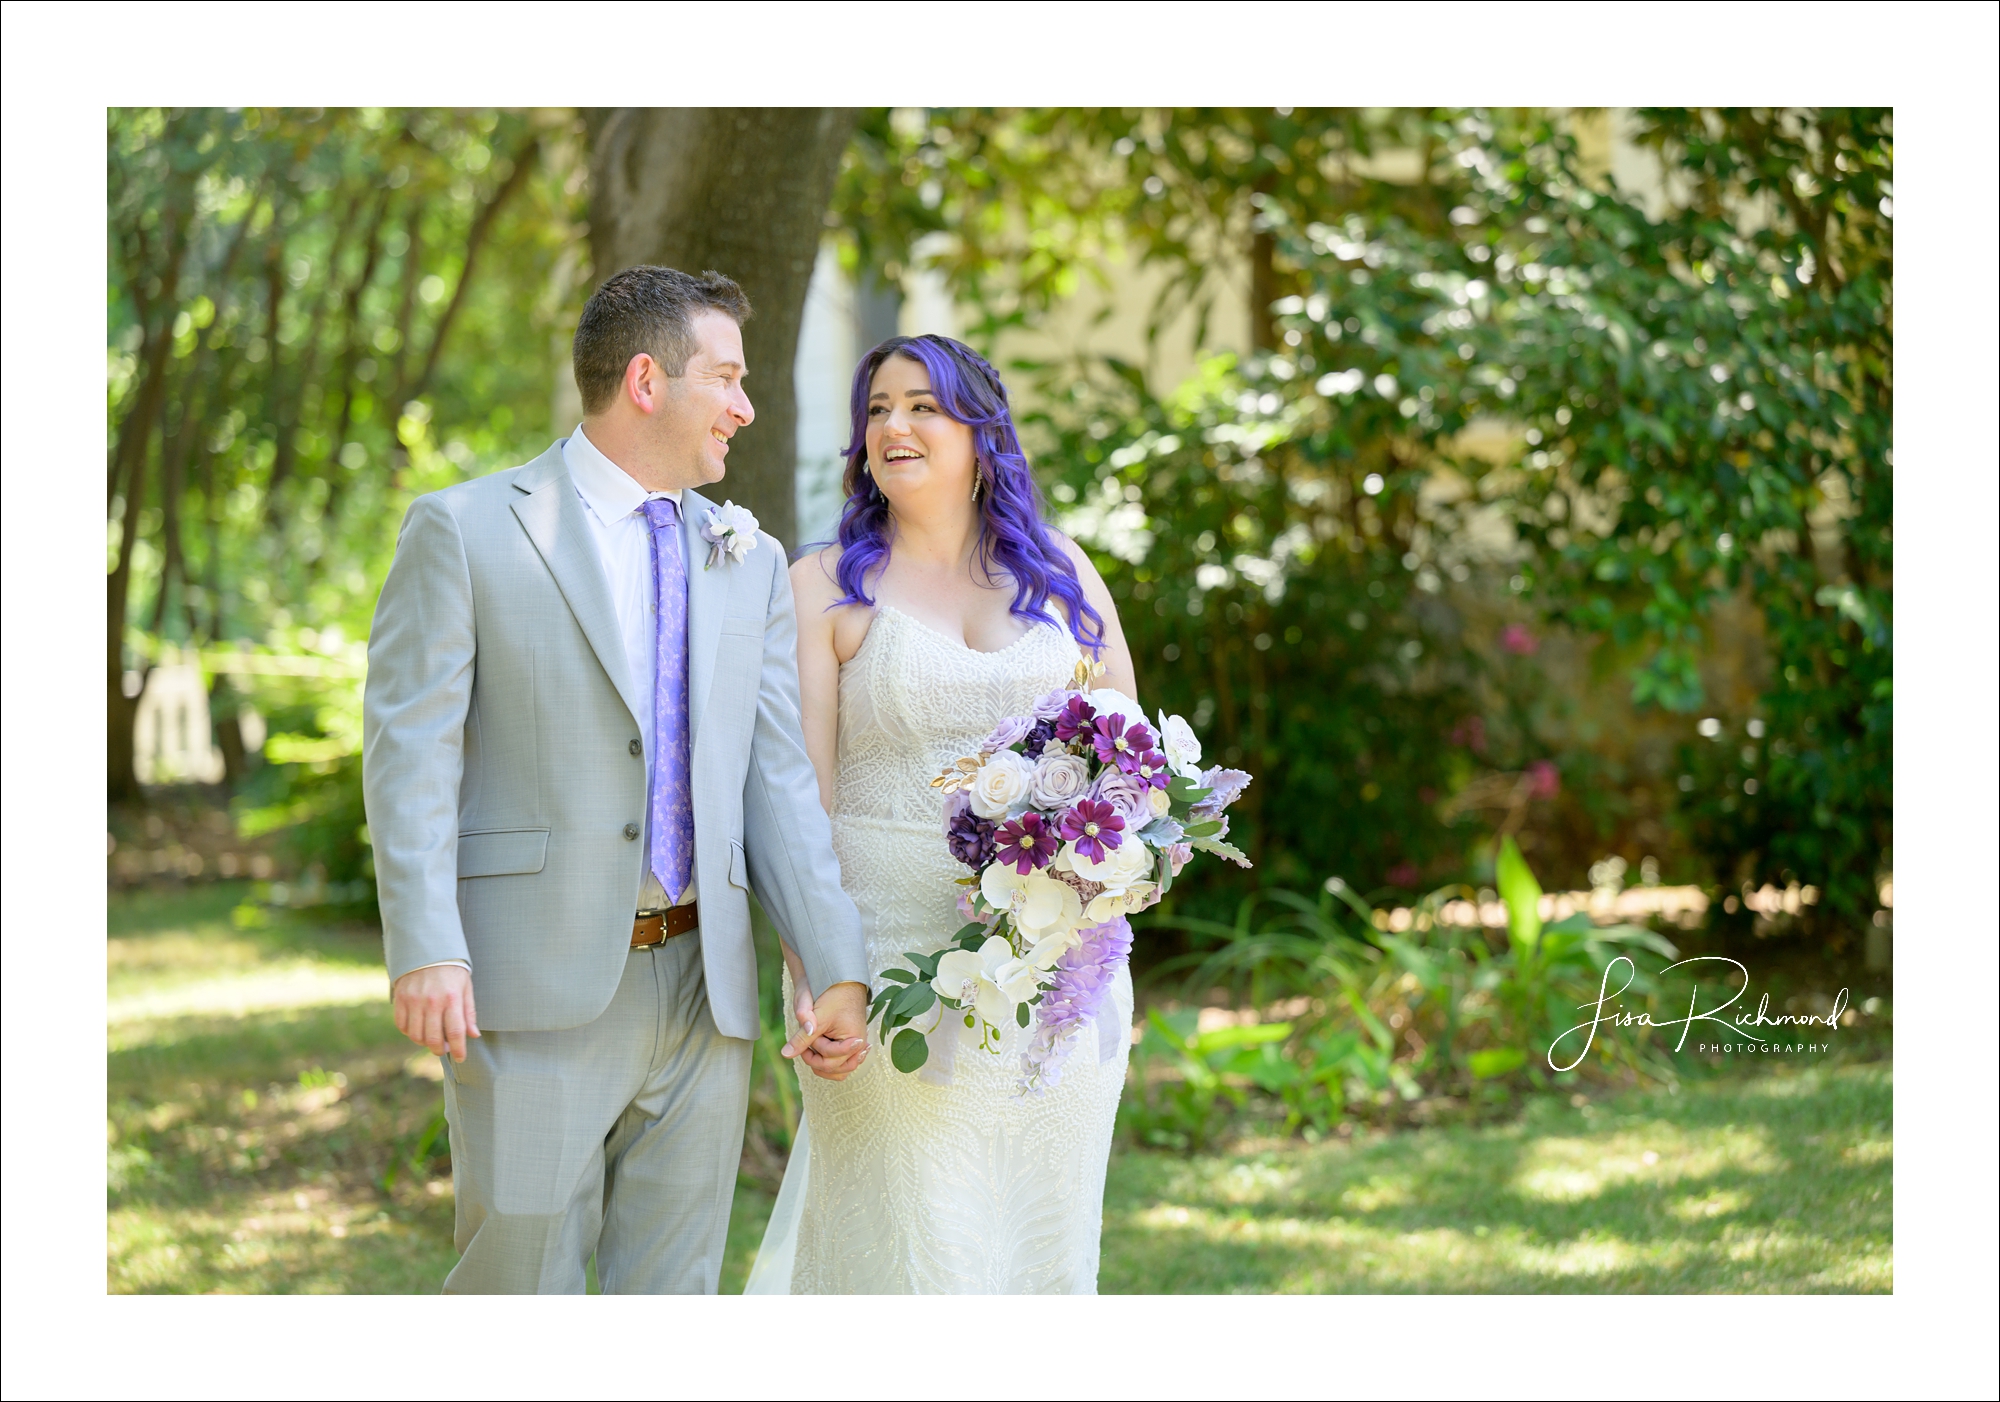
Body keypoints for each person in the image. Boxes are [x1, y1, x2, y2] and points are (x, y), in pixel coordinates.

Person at [362, 265, 870, 1294]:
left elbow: (774, 781)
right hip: (531, 979)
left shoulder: (747, 556)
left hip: (701, 985)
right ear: (647, 380)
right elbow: (412, 752)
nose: (745, 406)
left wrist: (837, 962)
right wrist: (425, 946)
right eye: (724, 379)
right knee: (520, 1285)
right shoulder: (464, 530)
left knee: (672, 1299)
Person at [747, 333, 1139, 1293]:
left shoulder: (1065, 575)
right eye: (877, 410)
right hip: (892, 968)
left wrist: (1107, 887)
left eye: (922, 405)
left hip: (1058, 971)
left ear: (981, 433)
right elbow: (802, 803)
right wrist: (815, 978)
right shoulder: (822, 586)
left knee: (1042, 1247)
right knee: (917, 1252)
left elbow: (1136, 766)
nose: (894, 425)